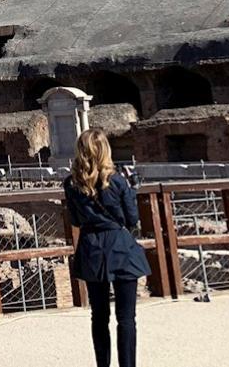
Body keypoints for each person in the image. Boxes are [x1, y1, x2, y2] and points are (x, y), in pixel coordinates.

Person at [64, 130, 151, 367]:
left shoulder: (71, 184)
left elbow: (75, 220)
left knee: (99, 317)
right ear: (106, 150)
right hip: (120, 247)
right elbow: (132, 219)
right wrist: (131, 189)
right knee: (126, 318)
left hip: (92, 247)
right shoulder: (118, 181)